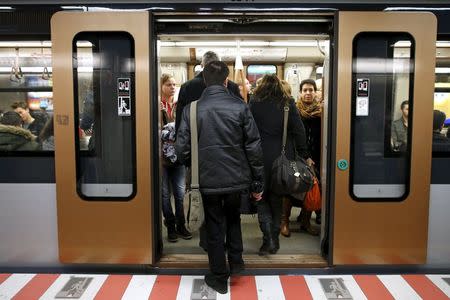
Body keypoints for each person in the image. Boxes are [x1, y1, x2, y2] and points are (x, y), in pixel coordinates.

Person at [176, 61, 264, 294]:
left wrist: (194, 165)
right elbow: (253, 146)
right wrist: (257, 179)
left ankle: (219, 276)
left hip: (206, 180)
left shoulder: (191, 109)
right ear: (226, 81)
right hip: (237, 178)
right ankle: (237, 263)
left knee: (214, 225)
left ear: (204, 81)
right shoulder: (240, 107)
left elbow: (181, 149)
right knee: (234, 218)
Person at [249, 74, 308, 255]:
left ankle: (268, 240)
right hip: (283, 159)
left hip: (258, 158)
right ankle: (274, 237)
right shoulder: (287, 103)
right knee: (276, 199)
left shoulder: (254, 103)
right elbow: (299, 131)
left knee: (261, 199)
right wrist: (304, 156)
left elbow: (246, 131)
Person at [175, 51, 241, 133]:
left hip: (195, 138)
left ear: (202, 65)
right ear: (219, 64)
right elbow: (241, 116)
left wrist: (179, 139)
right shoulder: (232, 87)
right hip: (227, 136)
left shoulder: (187, 87)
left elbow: (180, 118)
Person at [160, 73, 192, 242]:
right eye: (168, 84)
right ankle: (170, 225)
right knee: (164, 194)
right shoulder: (156, 105)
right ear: (161, 86)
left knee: (180, 193)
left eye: (174, 84)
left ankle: (181, 224)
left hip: (177, 155)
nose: (172, 87)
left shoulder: (179, 105)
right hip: (161, 158)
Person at [292, 78, 322, 235]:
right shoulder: (295, 111)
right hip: (298, 155)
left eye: (311, 90)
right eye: (305, 90)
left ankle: (305, 219)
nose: (308, 93)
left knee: (312, 187)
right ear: (300, 93)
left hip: (317, 155)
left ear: (315, 92)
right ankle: (292, 219)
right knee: (296, 187)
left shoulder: (321, 113)